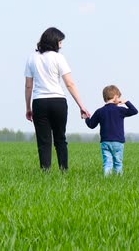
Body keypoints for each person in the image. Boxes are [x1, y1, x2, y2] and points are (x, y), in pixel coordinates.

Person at [24, 27, 90, 171]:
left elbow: (28, 86)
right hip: (58, 102)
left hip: (39, 102)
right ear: (54, 42)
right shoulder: (59, 58)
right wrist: (81, 106)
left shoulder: (32, 58)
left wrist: (28, 108)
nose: (61, 45)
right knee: (60, 138)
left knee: (43, 141)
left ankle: (45, 172)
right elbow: (69, 84)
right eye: (60, 41)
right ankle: (63, 170)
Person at [83, 85, 138, 176]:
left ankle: (107, 180)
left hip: (105, 142)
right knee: (118, 163)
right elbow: (134, 111)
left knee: (107, 163)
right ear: (116, 97)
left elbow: (91, 125)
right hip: (118, 142)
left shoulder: (100, 111)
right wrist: (125, 102)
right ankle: (118, 180)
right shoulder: (120, 110)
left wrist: (86, 118)